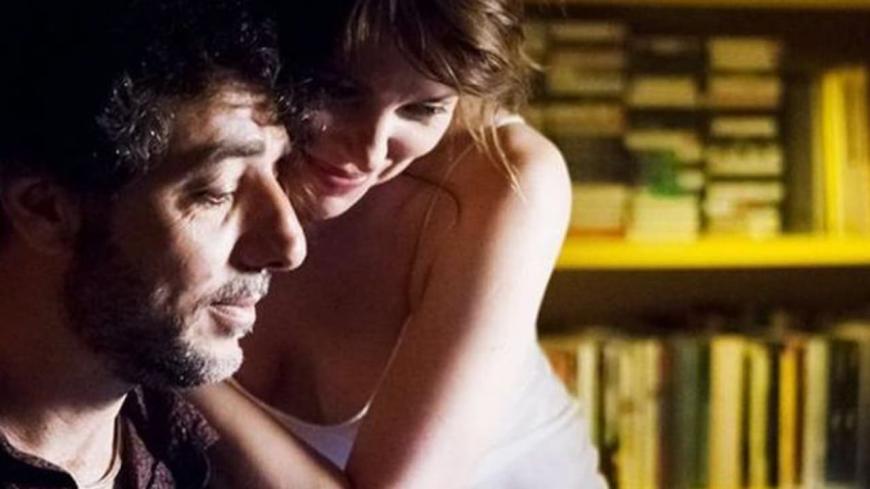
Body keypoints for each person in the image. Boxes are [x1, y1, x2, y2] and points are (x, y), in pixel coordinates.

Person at [190, 0, 608, 487]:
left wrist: (158, 352)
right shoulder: (178, 152)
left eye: (423, 109)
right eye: (340, 91)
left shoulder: (501, 177)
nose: (371, 152)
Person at [0, 1, 314, 487]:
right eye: (217, 191)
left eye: (277, 173)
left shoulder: (173, 444)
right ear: (46, 210)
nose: (290, 246)